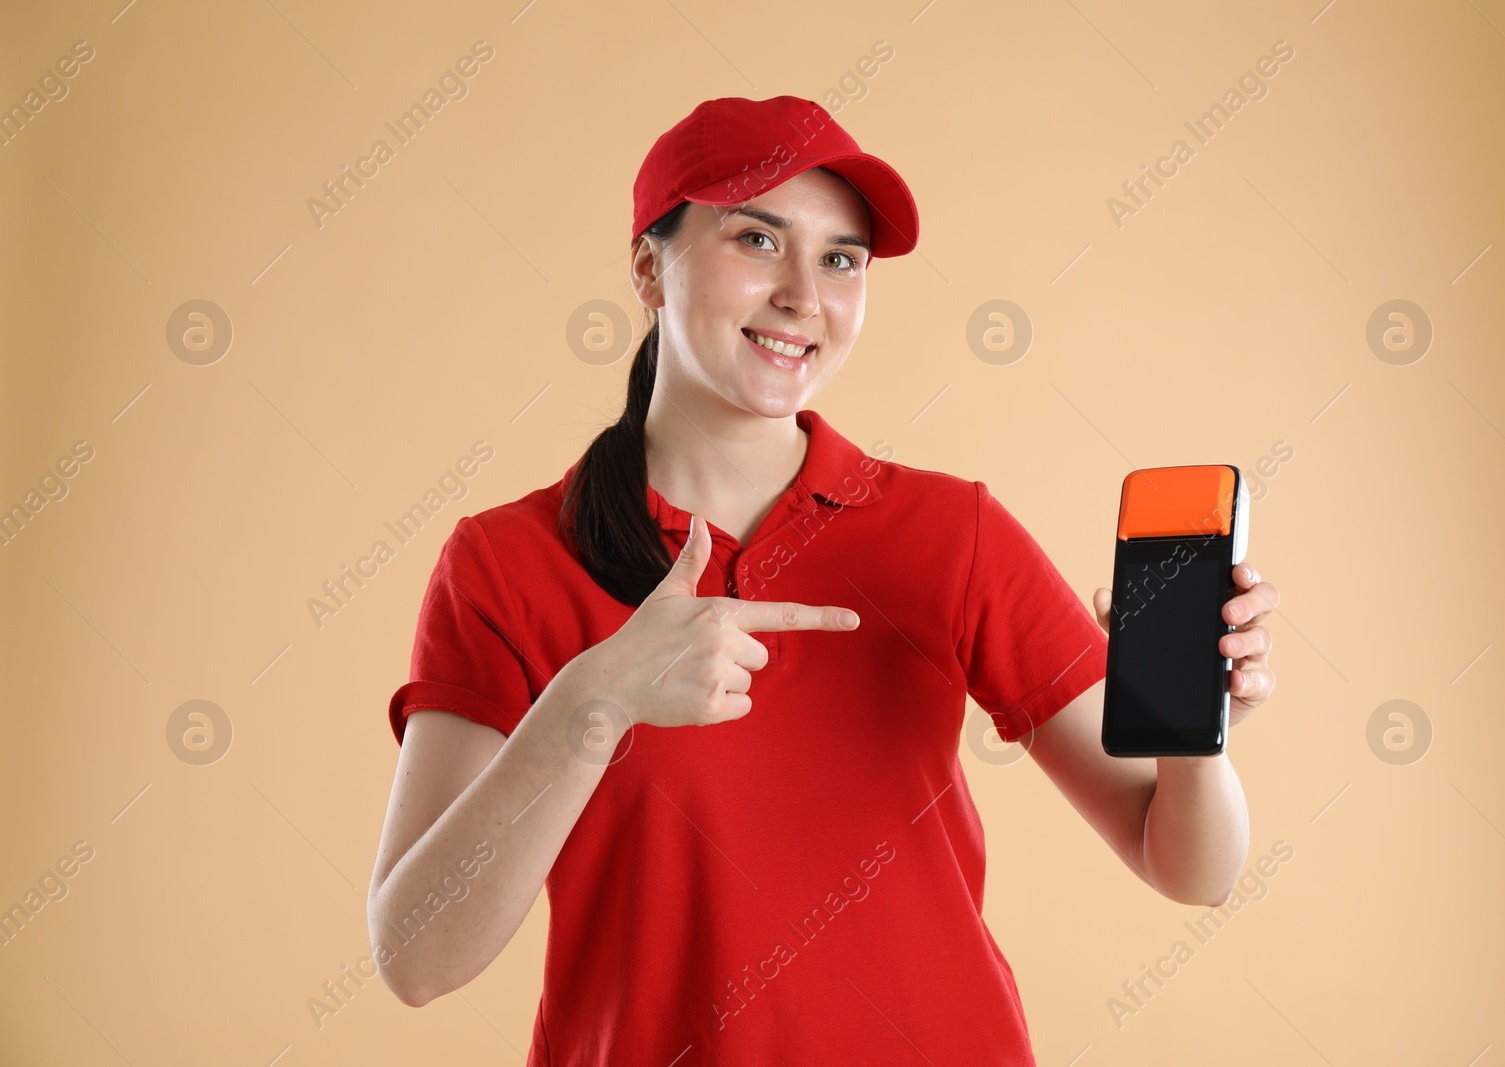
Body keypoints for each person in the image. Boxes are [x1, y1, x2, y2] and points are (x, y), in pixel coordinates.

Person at [367, 95, 1279, 1066]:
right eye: (757, 240)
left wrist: (1195, 733)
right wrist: (591, 700)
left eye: (841, 257)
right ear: (647, 266)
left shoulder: (949, 530)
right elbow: (415, 958)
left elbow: (1188, 866)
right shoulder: (505, 562)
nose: (805, 293)